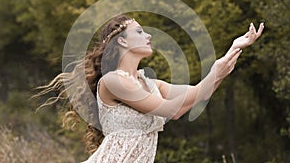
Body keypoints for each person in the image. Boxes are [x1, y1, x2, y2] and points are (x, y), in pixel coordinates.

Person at [34, 15, 264, 163]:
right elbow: (171, 110)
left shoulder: (149, 84)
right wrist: (216, 72)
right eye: (140, 32)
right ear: (122, 41)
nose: (149, 35)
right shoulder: (113, 81)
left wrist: (230, 53)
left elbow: (193, 96)